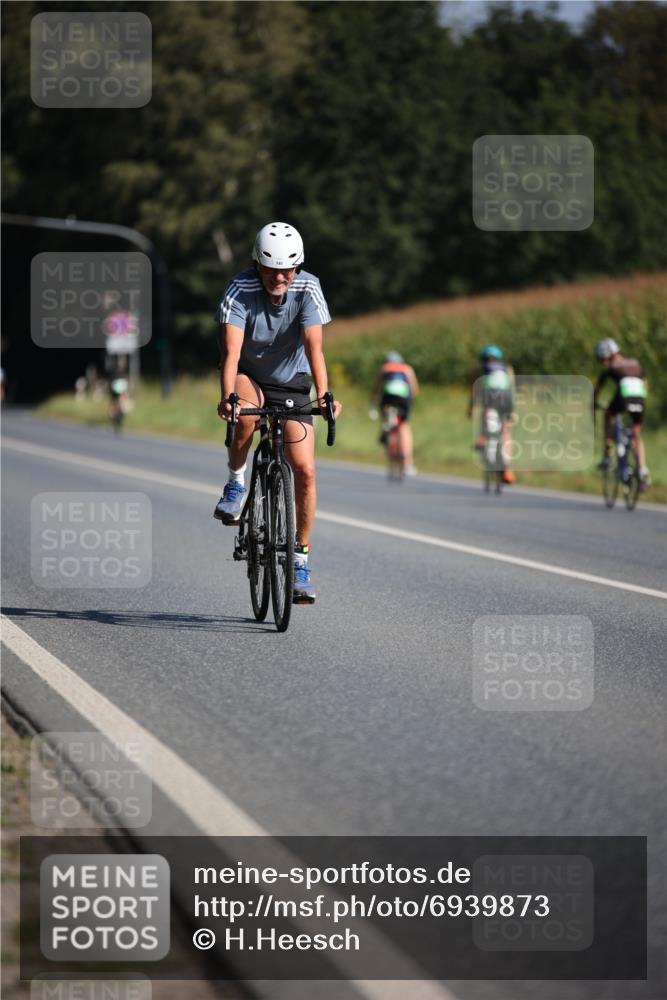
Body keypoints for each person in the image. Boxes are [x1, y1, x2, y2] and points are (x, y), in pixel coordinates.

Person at [214, 222, 341, 604]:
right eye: (272, 269)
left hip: (291, 383)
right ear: (257, 264)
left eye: (289, 269)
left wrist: (325, 395)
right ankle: (236, 482)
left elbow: (314, 348)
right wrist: (227, 398)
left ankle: (300, 560)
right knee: (247, 416)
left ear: (298, 266)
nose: (281, 277)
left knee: (305, 468)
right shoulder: (240, 290)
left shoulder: (308, 287)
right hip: (248, 375)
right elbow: (231, 354)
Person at [593, 338, 650, 488]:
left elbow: (597, 390)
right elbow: (645, 383)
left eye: (602, 359)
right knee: (636, 433)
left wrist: (593, 404)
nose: (603, 362)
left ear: (606, 356)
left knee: (609, 415)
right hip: (640, 398)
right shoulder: (635, 363)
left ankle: (607, 454)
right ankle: (643, 470)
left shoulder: (611, 367)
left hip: (623, 397)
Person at [469, 344, 516, 484]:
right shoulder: (507, 368)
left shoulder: (482, 369)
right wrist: (512, 411)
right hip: (506, 399)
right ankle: (507, 469)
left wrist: (471, 407)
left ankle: (483, 438)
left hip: (490, 400)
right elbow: (512, 388)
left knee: (486, 417)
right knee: (506, 432)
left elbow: (476, 390)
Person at [370, 352, 419, 475]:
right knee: (404, 426)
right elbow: (414, 388)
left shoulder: (384, 368)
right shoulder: (407, 368)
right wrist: (410, 402)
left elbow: (377, 388)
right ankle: (408, 463)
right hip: (403, 398)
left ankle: (385, 426)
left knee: (386, 414)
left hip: (388, 397)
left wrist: (374, 402)